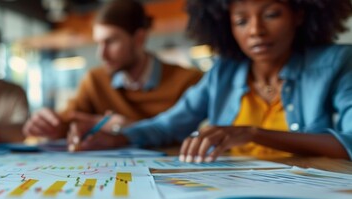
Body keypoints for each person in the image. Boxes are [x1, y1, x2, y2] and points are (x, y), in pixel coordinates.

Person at [71, 0, 352, 163]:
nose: (256, 31)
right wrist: (116, 138)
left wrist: (253, 133)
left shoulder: (335, 63)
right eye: (241, 21)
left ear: (299, 14)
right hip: (230, 191)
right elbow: (169, 124)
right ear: (226, 26)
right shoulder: (224, 72)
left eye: (271, 14)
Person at [22, 0, 202, 142]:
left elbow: (200, 134)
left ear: (139, 38)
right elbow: (68, 120)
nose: (101, 54)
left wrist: (125, 128)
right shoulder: (95, 80)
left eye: (111, 42)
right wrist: (49, 125)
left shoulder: (189, 81)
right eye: (99, 42)